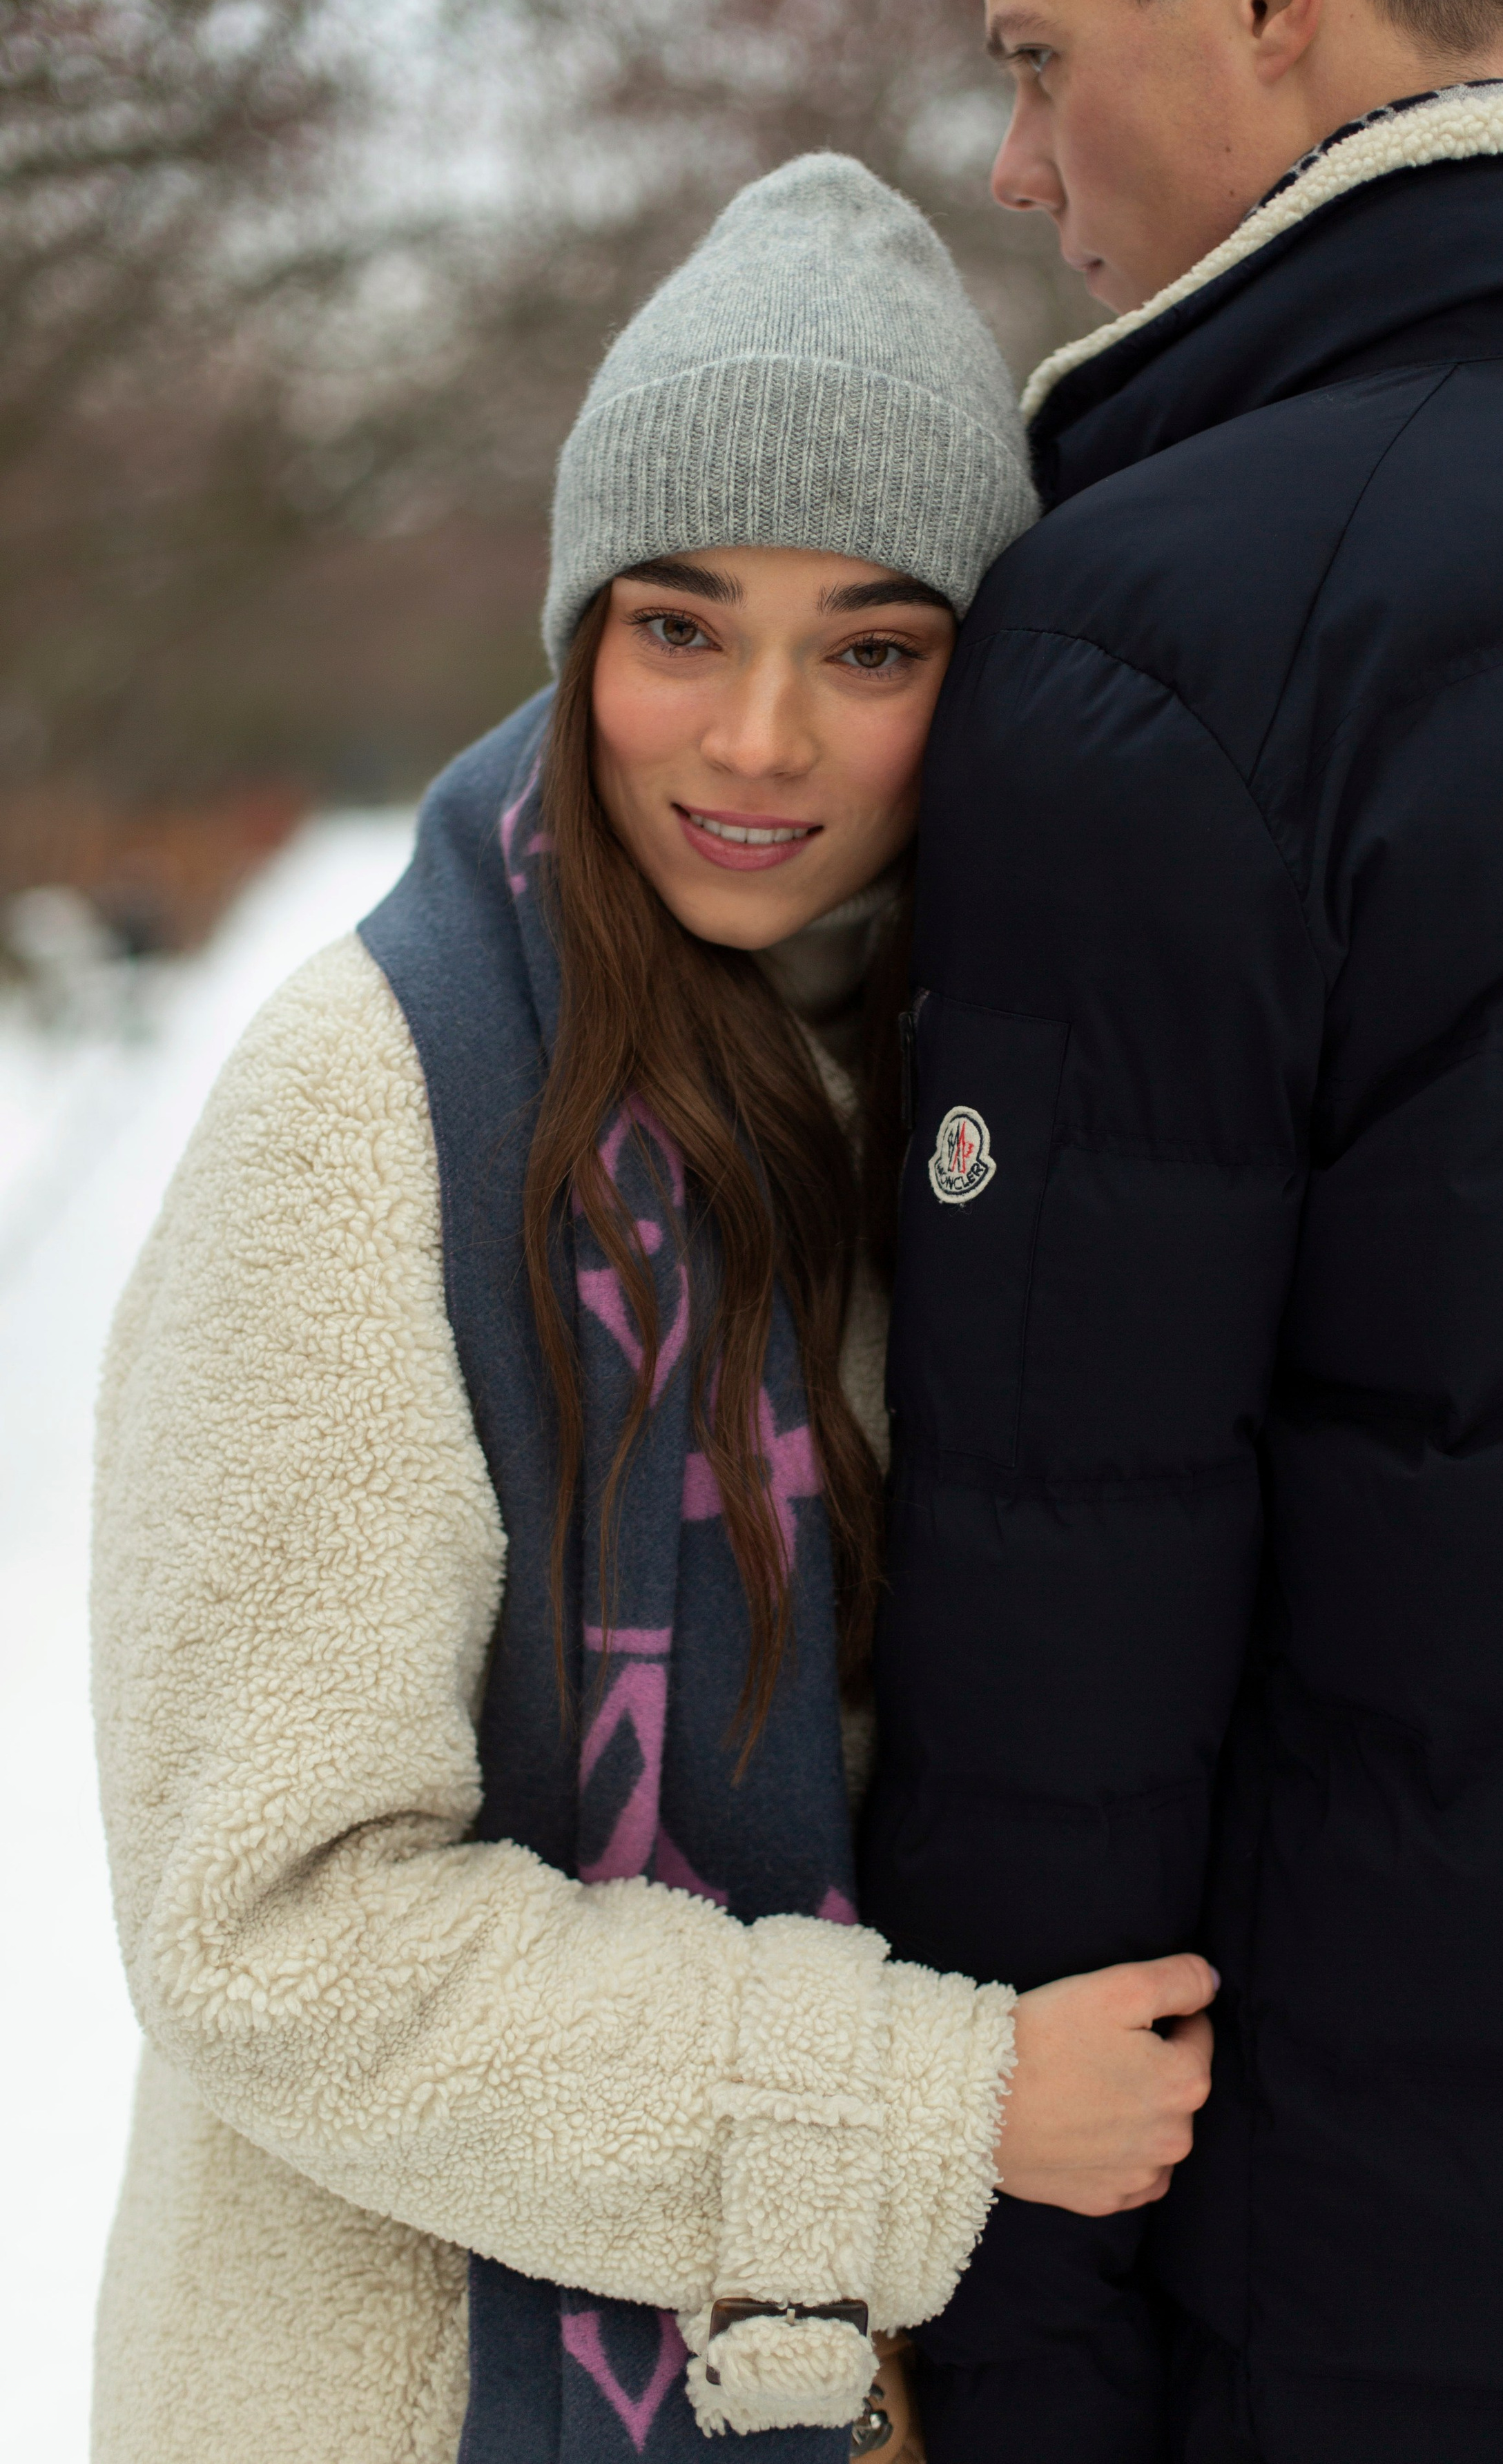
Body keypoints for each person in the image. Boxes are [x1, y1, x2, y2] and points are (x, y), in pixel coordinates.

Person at [88, 155, 1220, 2464]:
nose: (761, 741)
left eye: (874, 646)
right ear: (580, 628)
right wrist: (932, 2105)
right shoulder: (375, 1099)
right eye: (681, 627)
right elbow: (272, 1926)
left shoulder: (970, 1102)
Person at [860, 0, 1503, 2461]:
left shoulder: (1168, 637)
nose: (1021, 164)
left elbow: (1064, 1663)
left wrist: (1000, 2368)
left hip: (1401, 2313)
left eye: (1037, 57)